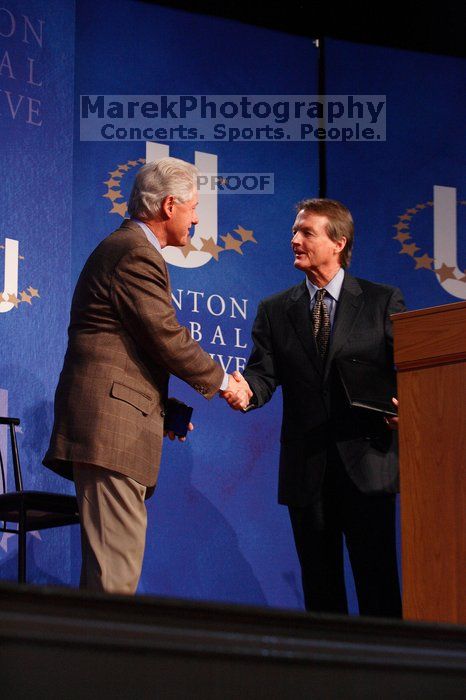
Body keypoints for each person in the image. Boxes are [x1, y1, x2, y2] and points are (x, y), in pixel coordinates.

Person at [43, 157, 251, 595]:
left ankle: (95, 664)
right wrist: (223, 382)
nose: (197, 217)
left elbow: (128, 348)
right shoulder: (134, 252)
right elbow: (165, 336)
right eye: (194, 207)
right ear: (169, 205)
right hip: (110, 435)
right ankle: (105, 666)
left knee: (109, 581)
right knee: (114, 585)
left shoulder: (129, 250)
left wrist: (161, 410)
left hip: (116, 429)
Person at [226, 198, 405, 617]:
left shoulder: (382, 302)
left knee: (377, 585)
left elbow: (406, 369)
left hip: (368, 467)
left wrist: (407, 404)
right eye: (294, 231)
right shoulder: (275, 310)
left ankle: (387, 679)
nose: (294, 240)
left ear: (338, 242)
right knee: (321, 594)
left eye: (306, 232)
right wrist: (245, 391)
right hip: (307, 470)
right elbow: (263, 374)